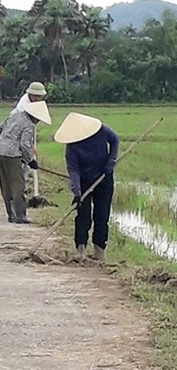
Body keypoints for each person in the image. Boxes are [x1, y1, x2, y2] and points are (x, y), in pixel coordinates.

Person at [54, 112, 120, 262]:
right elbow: (74, 170)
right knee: (83, 215)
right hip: (84, 181)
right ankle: (80, 250)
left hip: (104, 177)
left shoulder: (101, 130)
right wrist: (77, 193)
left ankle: (99, 251)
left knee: (101, 215)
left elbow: (115, 140)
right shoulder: (72, 146)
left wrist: (111, 162)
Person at [0, 101, 51, 224]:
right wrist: (30, 160)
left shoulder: (14, 116)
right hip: (12, 156)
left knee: (5, 185)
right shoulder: (29, 124)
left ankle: (10, 214)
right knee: (18, 185)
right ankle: (20, 215)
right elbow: (24, 144)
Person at [9, 82, 48, 199]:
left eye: (40, 96)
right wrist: (30, 152)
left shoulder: (34, 104)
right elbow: (24, 135)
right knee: (21, 166)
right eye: (36, 96)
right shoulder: (23, 107)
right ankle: (18, 192)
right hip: (15, 138)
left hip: (23, 137)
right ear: (30, 94)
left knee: (24, 167)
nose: (38, 98)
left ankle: (22, 189)